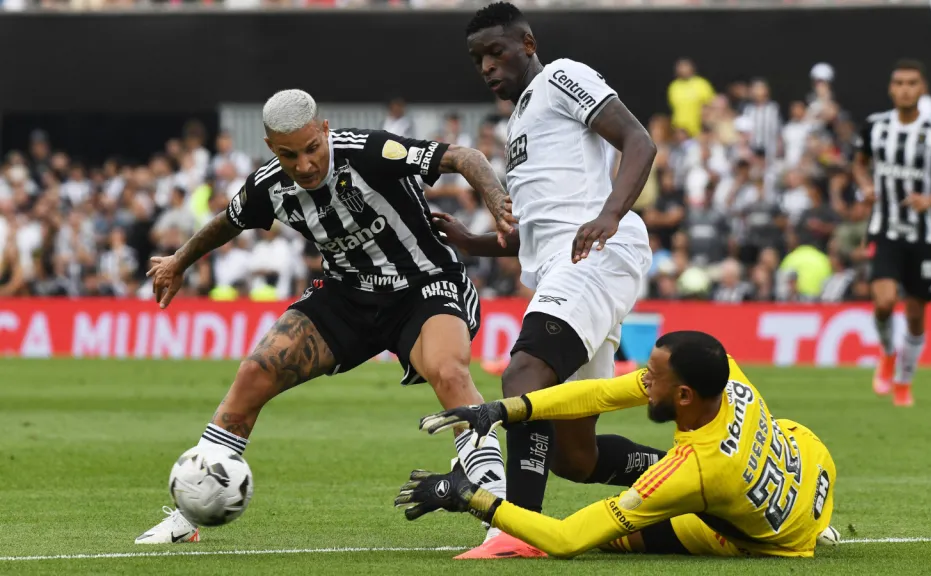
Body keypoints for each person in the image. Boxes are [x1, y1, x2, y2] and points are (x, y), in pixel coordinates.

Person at [136, 89, 515, 545]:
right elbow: (229, 220)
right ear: (272, 148)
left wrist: (499, 205)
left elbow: (463, 156)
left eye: (312, 148)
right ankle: (188, 514)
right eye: (288, 154)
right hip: (346, 296)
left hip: (425, 285)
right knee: (256, 372)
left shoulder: (369, 151)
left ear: (325, 131)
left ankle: (500, 521)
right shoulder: (269, 185)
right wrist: (179, 260)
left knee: (448, 372)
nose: (305, 165)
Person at [436, 2, 664, 558]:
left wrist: (610, 213)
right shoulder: (519, 122)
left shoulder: (564, 76)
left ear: (528, 44)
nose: (488, 66)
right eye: (478, 59)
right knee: (574, 457)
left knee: (524, 375)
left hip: (593, 253)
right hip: (566, 263)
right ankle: (703, 478)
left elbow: (639, 140)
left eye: (497, 51)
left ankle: (517, 530)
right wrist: (474, 242)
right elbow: (530, 233)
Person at [398, 331, 839, 559]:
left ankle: (806, 532)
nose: (643, 382)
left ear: (684, 396)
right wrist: (501, 410)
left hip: (782, 536)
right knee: (756, 445)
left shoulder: (695, 468)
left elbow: (568, 539)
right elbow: (599, 394)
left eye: (653, 378)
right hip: (813, 465)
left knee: (607, 539)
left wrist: (471, 496)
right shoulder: (723, 372)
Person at [852, 60, 931, 407]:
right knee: (885, 302)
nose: (905, 89)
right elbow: (859, 162)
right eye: (899, 82)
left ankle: (904, 381)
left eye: (912, 83)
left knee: (917, 314)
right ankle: (888, 353)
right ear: (891, 89)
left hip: (922, 235)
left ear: (922, 89)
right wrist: (864, 185)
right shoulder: (874, 126)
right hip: (884, 229)